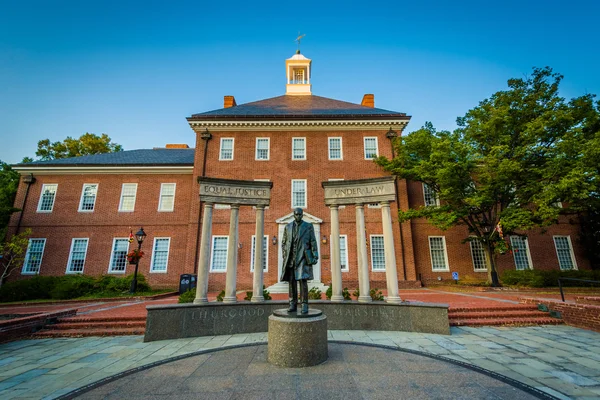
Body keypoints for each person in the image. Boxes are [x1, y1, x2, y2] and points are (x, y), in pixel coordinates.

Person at [281, 208, 319, 314]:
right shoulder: (288, 227)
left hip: (303, 256)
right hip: (291, 258)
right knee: (291, 282)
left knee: (303, 281)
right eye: (296, 214)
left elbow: (313, 241)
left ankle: (304, 304)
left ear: (302, 215)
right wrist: (285, 255)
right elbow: (284, 242)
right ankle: (292, 303)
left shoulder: (308, 226)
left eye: (299, 214)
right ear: (294, 215)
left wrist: (315, 255)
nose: (298, 216)